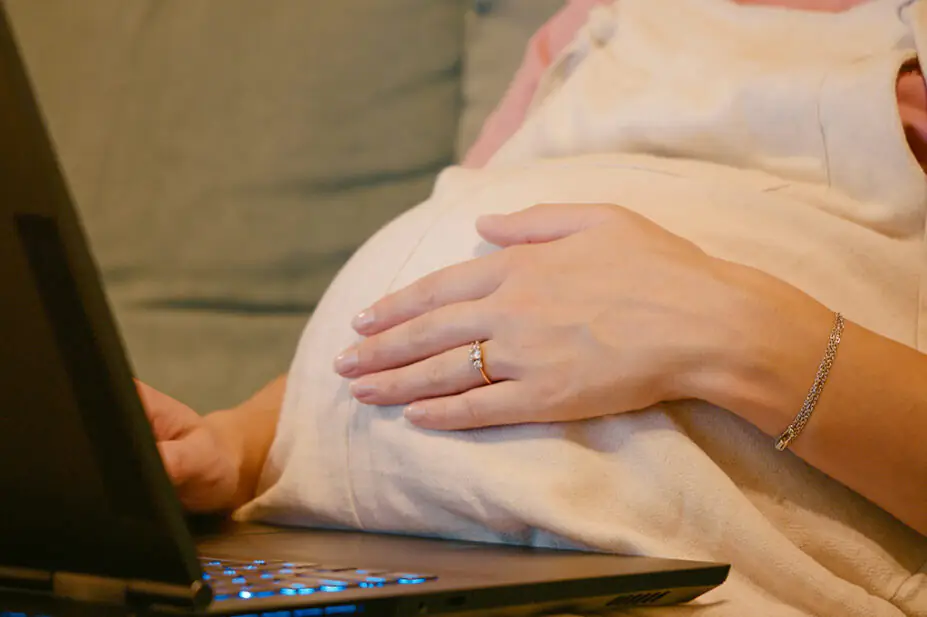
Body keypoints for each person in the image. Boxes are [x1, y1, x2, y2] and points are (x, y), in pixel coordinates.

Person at [141, 0, 927, 615]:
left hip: (665, 582)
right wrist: (236, 446)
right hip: (334, 553)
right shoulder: (586, 24)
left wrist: (721, 327)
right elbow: (453, 310)